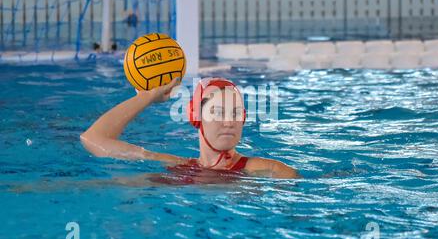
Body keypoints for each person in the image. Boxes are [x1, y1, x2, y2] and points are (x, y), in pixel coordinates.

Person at [79, 77, 299, 186]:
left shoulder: (271, 170)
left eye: (236, 113)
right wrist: (145, 98)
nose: (229, 121)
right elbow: (92, 139)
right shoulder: (178, 169)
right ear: (196, 117)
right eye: (218, 112)